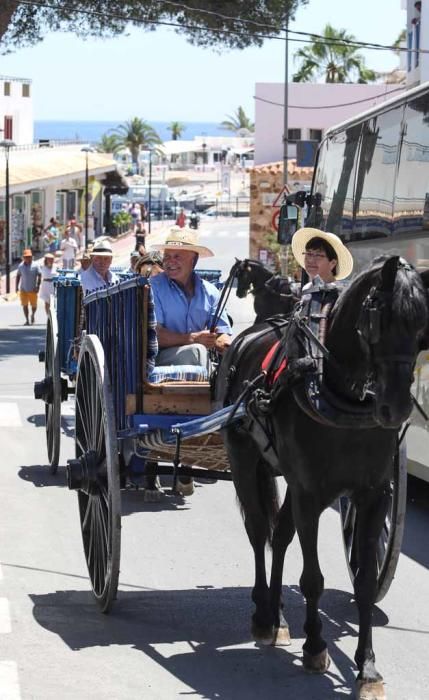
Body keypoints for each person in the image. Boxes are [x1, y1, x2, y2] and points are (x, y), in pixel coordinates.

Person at [149, 226, 232, 369]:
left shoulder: (210, 292)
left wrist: (231, 348)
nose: (170, 262)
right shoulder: (153, 288)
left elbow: (221, 333)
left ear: (193, 260)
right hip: (159, 358)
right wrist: (193, 339)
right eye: (167, 257)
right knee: (197, 351)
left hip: (199, 359)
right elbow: (155, 335)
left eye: (177, 257)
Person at [15, 249, 41, 325]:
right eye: (26, 257)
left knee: (34, 306)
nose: (28, 258)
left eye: (29, 257)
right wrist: (16, 287)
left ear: (31, 257)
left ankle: (32, 315)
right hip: (23, 289)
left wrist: (38, 286)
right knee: (24, 305)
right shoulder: (20, 266)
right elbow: (18, 276)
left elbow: (39, 275)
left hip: (33, 289)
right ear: (23, 257)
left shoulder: (36, 265)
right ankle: (27, 320)